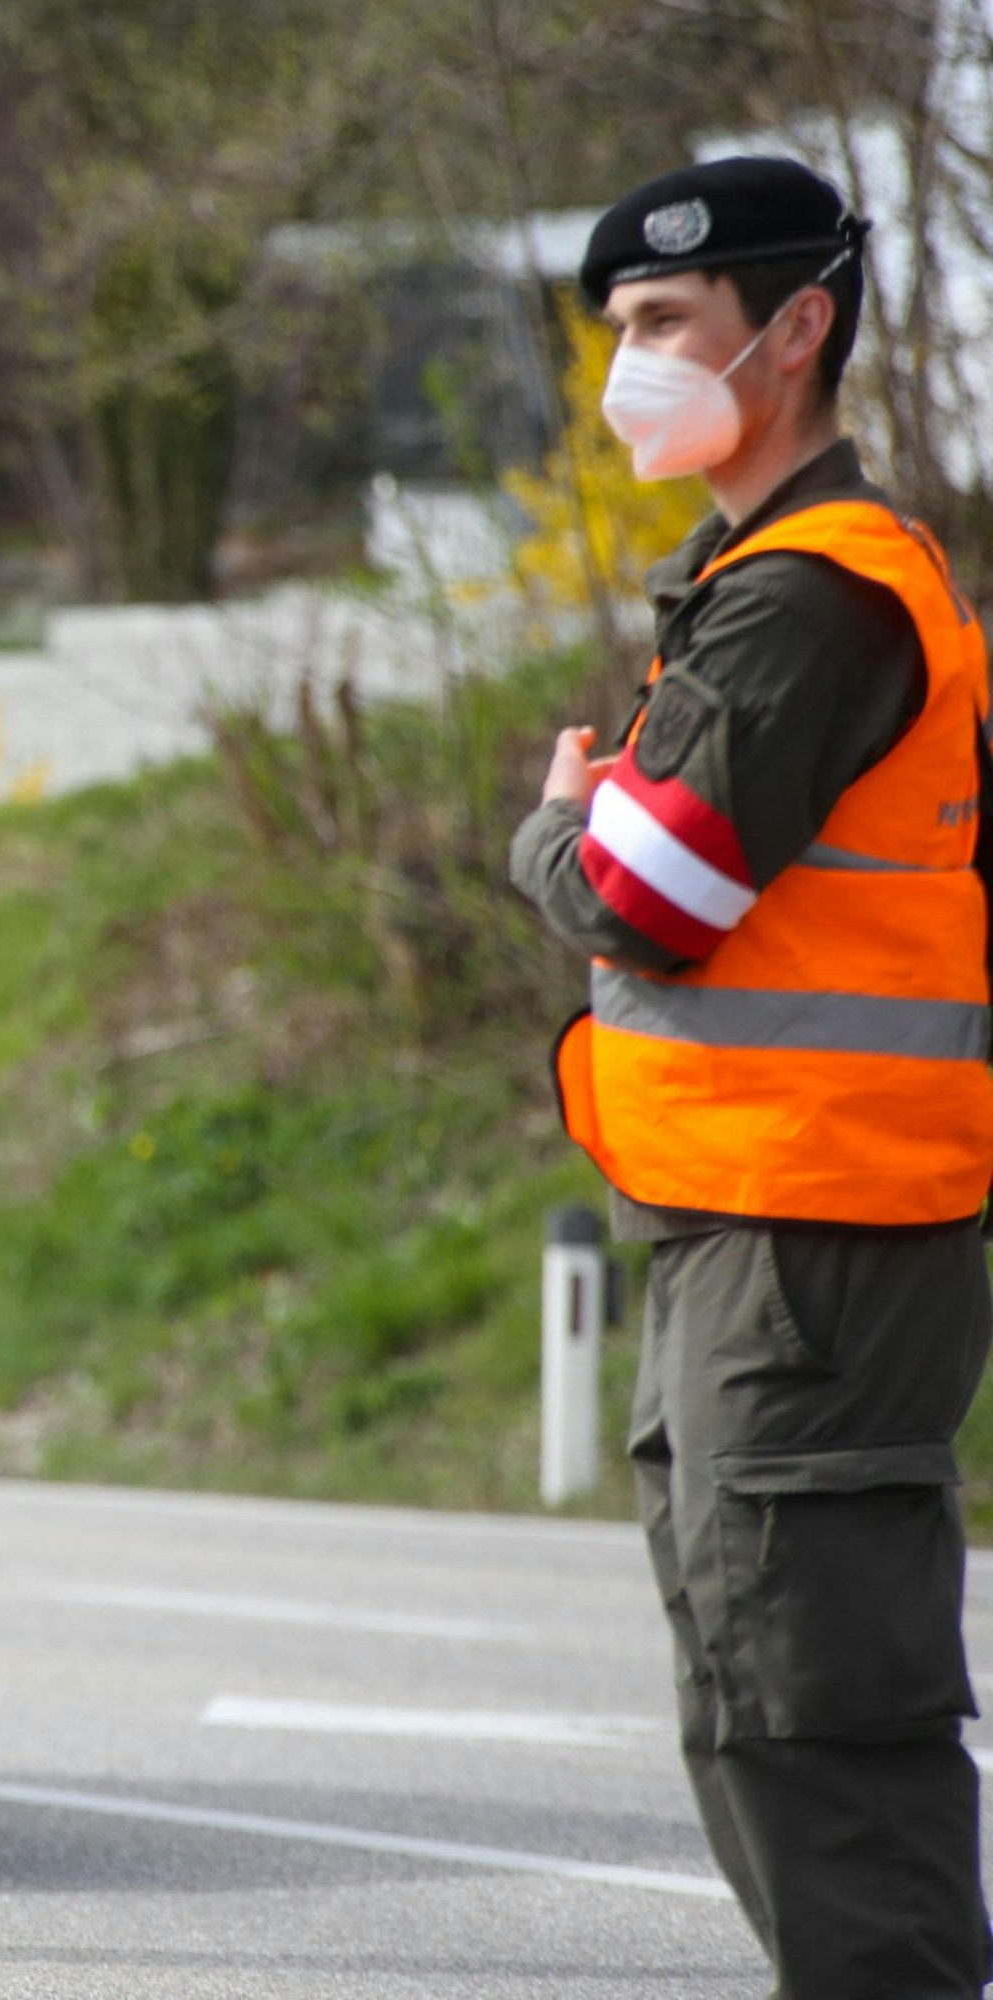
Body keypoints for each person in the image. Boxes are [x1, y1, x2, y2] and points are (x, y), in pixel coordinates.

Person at [514, 157, 993, 1999]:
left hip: (813, 1237)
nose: (628, 368)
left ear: (794, 331)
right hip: (767, 1229)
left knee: (815, 1727)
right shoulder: (775, 580)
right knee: (763, 1706)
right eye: (620, 331)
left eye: (661, 328)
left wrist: (550, 835)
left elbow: (653, 892)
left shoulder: (810, 594)